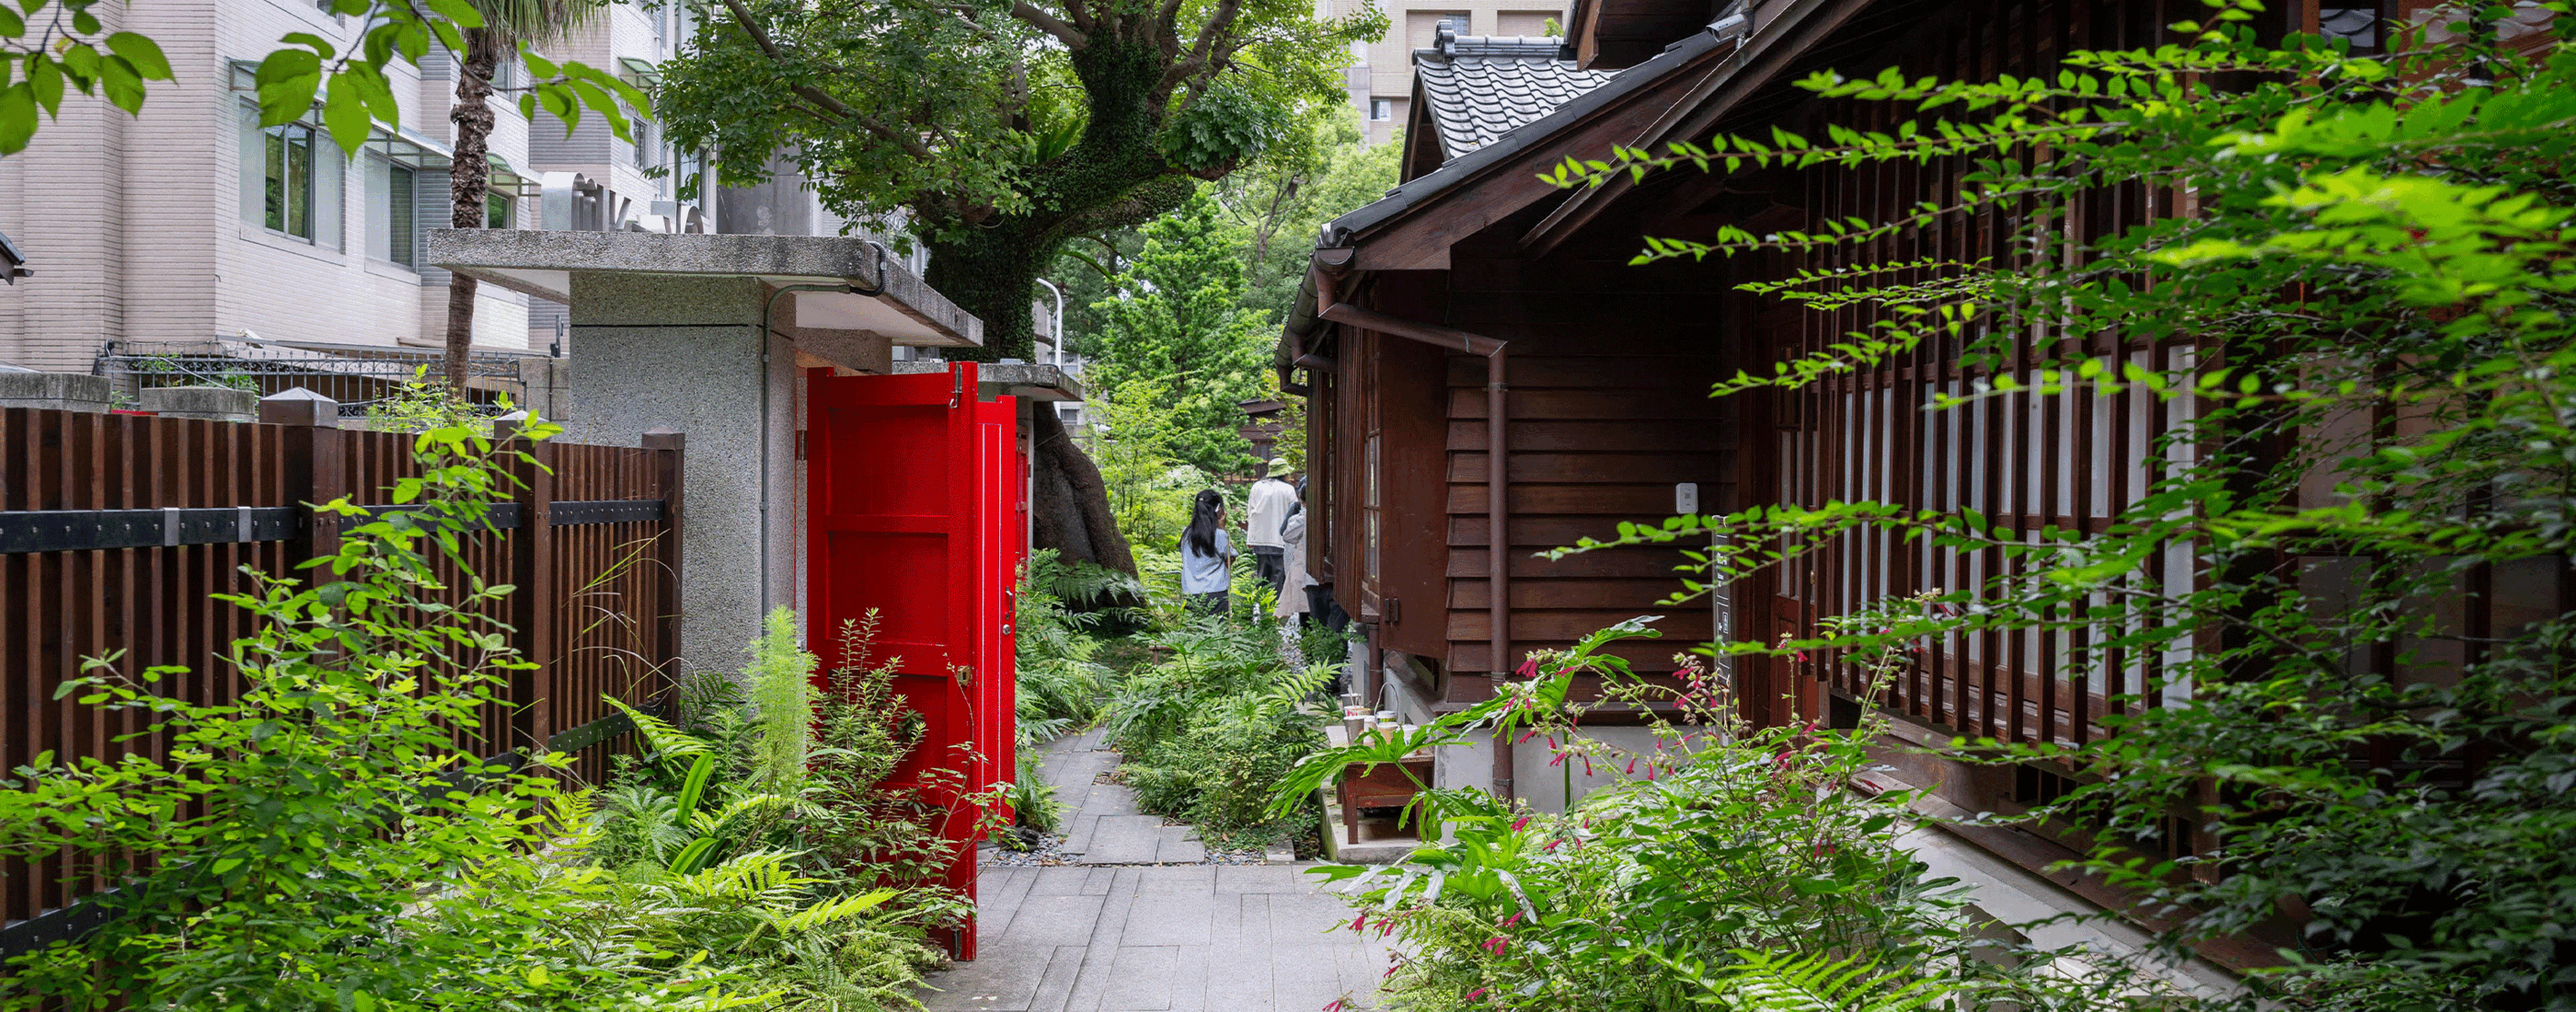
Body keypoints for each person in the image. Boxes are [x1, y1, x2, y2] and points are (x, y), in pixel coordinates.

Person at [1245, 457, 1299, 593]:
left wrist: (1250, 537)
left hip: (1259, 540)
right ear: (1284, 473)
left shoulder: (1257, 486)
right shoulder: (1288, 489)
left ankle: (1261, 604)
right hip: (1280, 541)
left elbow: (1250, 512)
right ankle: (1276, 605)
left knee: (1262, 577)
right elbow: (1294, 515)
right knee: (1279, 579)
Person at [1179, 489, 1236, 617]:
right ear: (1219, 510)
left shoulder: (1186, 534)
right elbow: (1230, 559)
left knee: (1197, 628)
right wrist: (1222, 527)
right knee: (1218, 629)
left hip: (1191, 593)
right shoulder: (1220, 534)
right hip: (1216, 593)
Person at [1275, 482, 1317, 623]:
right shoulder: (1328, 517)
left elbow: (1286, 535)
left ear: (1302, 500)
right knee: (1316, 613)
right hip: (1323, 572)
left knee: (1304, 611)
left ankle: (1306, 637)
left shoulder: (1301, 519)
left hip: (1303, 569)